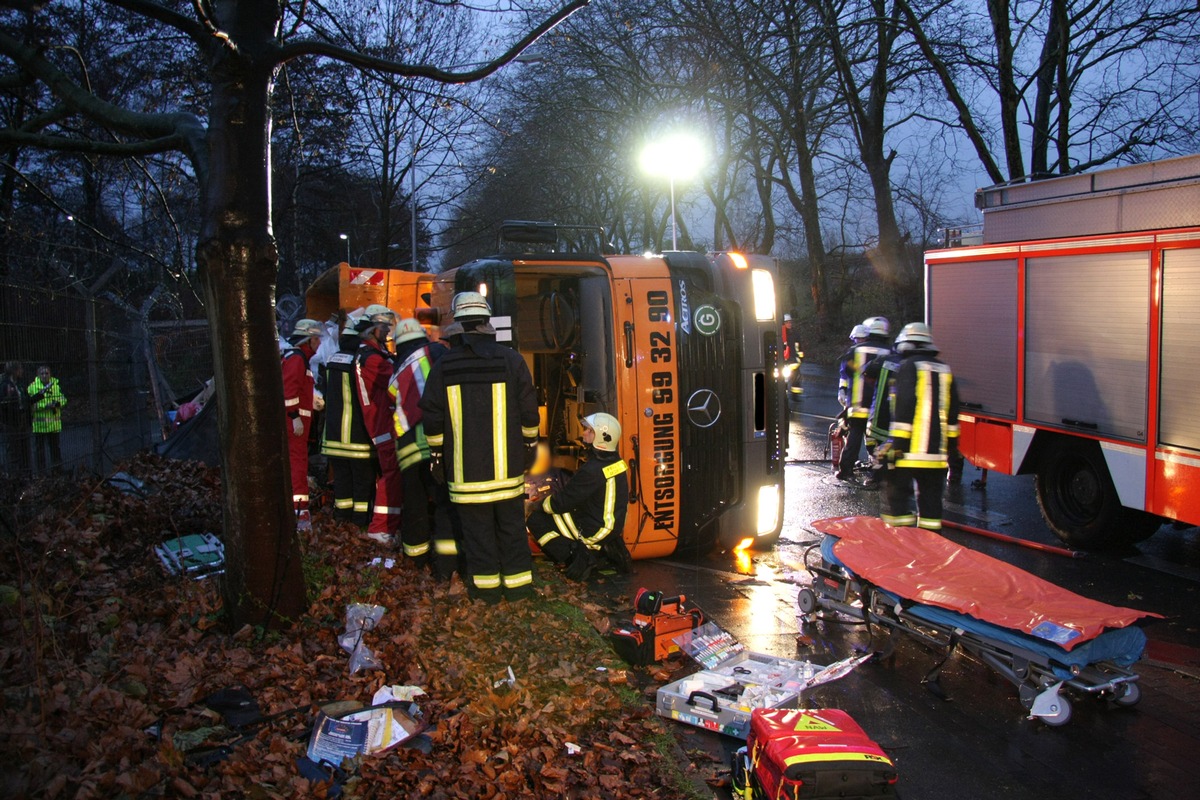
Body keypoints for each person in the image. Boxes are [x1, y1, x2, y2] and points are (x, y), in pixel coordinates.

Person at [420, 292, 540, 603]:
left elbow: (431, 416)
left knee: (478, 537)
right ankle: (519, 591)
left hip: (465, 475)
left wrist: (436, 456)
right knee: (512, 531)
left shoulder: (445, 366)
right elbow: (529, 410)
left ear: (458, 324)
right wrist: (529, 444)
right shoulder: (512, 360)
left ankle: (486, 595)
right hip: (508, 473)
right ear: (487, 322)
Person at [526, 412, 631, 581]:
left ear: (600, 437)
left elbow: (561, 503)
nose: (584, 433)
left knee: (536, 520)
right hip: (610, 527)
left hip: (594, 529)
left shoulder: (592, 470)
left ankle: (576, 559)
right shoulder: (614, 462)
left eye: (589, 430)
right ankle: (596, 551)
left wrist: (535, 506)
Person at [875, 322, 960, 531]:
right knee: (931, 509)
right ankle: (931, 549)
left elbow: (904, 407)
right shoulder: (944, 369)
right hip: (936, 457)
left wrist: (896, 445)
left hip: (909, 454)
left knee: (896, 501)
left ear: (907, 344)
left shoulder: (908, 366)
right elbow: (953, 411)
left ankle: (900, 543)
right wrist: (951, 447)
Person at [388, 317, 448, 570]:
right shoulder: (434, 351)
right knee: (445, 501)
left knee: (415, 504)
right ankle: (447, 560)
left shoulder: (397, 369)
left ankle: (415, 559)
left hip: (408, 447)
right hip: (436, 442)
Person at [355, 304, 404, 544]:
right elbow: (397, 377)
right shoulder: (373, 359)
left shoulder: (371, 354)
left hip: (381, 422)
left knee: (391, 474)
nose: (386, 333)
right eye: (384, 328)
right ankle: (381, 529)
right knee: (391, 475)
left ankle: (387, 528)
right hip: (382, 424)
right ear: (373, 329)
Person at [321, 317, 375, 528]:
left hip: (334, 436)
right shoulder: (359, 363)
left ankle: (342, 521)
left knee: (343, 482)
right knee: (362, 482)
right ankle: (360, 523)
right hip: (357, 438)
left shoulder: (332, 360)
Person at [836, 316, 891, 481]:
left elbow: (846, 371)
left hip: (858, 403)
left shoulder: (856, 350)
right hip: (879, 406)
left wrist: (843, 390)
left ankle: (846, 470)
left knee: (855, 435)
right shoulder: (890, 352)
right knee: (877, 439)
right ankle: (877, 472)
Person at [282, 319, 322, 530]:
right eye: (317, 339)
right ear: (309, 339)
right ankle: (300, 513)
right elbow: (289, 391)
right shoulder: (297, 359)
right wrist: (294, 416)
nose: (319, 343)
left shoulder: (296, 357)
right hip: (294, 425)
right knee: (297, 465)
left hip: (296, 423)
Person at [27, 364, 66, 473]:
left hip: (54, 425)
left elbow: (63, 399)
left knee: (55, 450)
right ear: (38, 375)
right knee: (40, 452)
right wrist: (45, 406)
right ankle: (42, 473)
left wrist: (57, 403)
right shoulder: (32, 388)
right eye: (42, 373)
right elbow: (30, 405)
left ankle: (57, 471)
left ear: (50, 374)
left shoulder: (55, 386)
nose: (44, 375)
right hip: (40, 426)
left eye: (46, 373)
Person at [0, 361, 31, 475]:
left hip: (22, 419)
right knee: (13, 449)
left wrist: (39, 395)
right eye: (20, 369)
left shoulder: (20, 384)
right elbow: (3, 404)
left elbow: (26, 400)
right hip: (11, 422)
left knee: (24, 449)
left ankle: (26, 474)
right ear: (14, 371)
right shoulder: (4, 385)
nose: (22, 371)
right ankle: (13, 476)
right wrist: (8, 398)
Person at [781, 312, 803, 405]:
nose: (789, 324)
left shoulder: (795, 333)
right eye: (787, 322)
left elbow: (799, 346)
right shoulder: (781, 334)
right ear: (783, 323)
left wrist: (800, 357)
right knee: (783, 380)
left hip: (794, 361)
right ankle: (783, 396)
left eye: (790, 322)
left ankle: (795, 396)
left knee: (796, 380)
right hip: (785, 361)